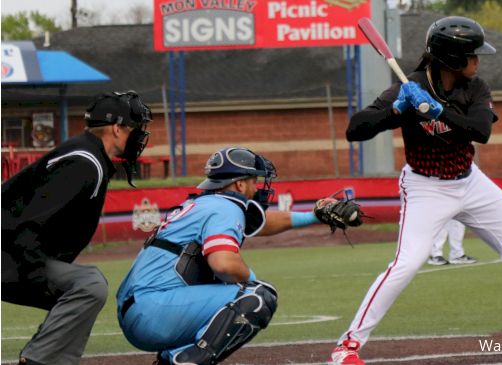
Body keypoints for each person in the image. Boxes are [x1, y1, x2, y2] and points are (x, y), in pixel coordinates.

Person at [328, 16, 502, 365]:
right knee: (407, 264)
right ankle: (347, 346)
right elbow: (354, 130)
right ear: (452, 58)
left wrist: (439, 111)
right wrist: (396, 110)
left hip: (470, 181)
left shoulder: (475, 87)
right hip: (425, 186)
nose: (477, 61)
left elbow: (481, 131)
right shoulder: (409, 87)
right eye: (472, 55)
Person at [116, 147, 354, 365]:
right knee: (258, 297)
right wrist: (250, 280)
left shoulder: (209, 203)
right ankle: (188, 361)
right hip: (154, 311)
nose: (258, 187)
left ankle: (173, 360)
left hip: (142, 309)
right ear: (240, 185)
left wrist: (314, 216)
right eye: (254, 180)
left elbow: (262, 222)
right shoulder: (226, 208)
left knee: (237, 295)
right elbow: (224, 264)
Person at [1, 91, 153, 365]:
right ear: (117, 129)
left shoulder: (87, 155)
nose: (140, 136)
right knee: (88, 285)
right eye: (136, 128)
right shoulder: (84, 163)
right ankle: (40, 360)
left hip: (12, 253)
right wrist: (36, 274)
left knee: (86, 285)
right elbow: (28, 222)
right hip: (10, 253)